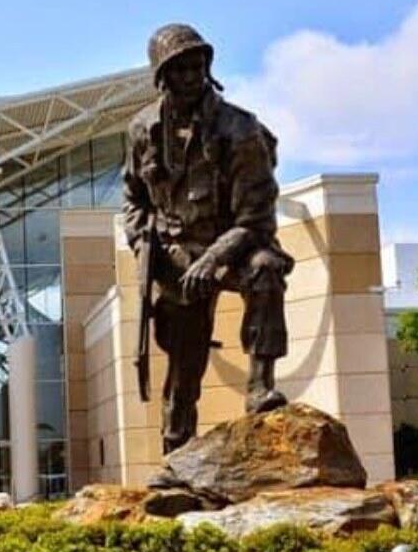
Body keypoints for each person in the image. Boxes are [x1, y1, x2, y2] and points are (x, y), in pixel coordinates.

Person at [123, 23, 294, 455]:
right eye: (179, 69)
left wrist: (213, 259)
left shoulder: (240, 129)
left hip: (234, 244)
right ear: (161, 76)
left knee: (266, 271)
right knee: (185, 352)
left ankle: (260, 387)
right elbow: (133, 199)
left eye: (197, 65)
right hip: (176, 254)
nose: (190, 76)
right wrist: (141, 239)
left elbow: (256, 219)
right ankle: (177, 446)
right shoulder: (143, 129)